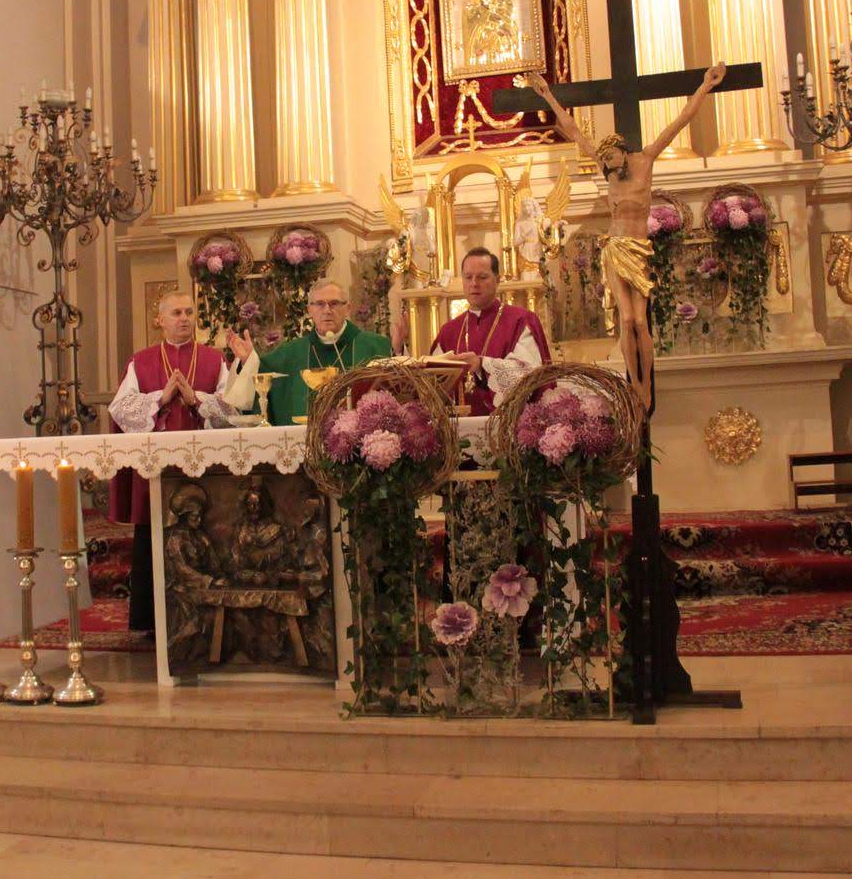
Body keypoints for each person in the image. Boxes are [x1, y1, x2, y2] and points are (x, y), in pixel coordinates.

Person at [526, 63, 726, 409]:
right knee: (627, 320)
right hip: (616, 248)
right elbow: (574, 131)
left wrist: (706, 86)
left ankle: (645, 385)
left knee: (641, 323)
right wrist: (547, 95)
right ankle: (633, 383)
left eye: (610, 156)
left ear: (622, 150)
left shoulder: (645, 160)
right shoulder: (610, 172)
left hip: (639, 248)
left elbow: (680, 120)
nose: (606, 163)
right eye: (603, 159)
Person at [108, 291, 234, 631]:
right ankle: (151, 621)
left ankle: (209, 620)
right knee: (153, 536)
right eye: (176, 313)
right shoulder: (141, 361)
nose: (184, 318)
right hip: (156, 468)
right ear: (160, 320)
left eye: (189, 312)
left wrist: (197, 400)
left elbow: (232, 408)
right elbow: (120, 408)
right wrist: (160, 399)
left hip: (204, 466)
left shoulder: (214, 359)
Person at [224, 279, 393, 425]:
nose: (327, 310)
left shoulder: (376, 346)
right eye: (319, 304)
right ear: (309, 310)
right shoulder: (291, 352)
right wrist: (248, 361)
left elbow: (396, 389)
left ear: (347, 308)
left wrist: (398, 348)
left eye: (334, 303)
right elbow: (262, 376)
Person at [427, 248, 551, 415]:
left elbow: (528, 374)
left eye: (482, 277)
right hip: (460, 426)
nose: (474, 283)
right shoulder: (449, 331)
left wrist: (481, 364)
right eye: (468, 277)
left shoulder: (520, 320)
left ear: (497, 280)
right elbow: (431, 384)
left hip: (507, 424)